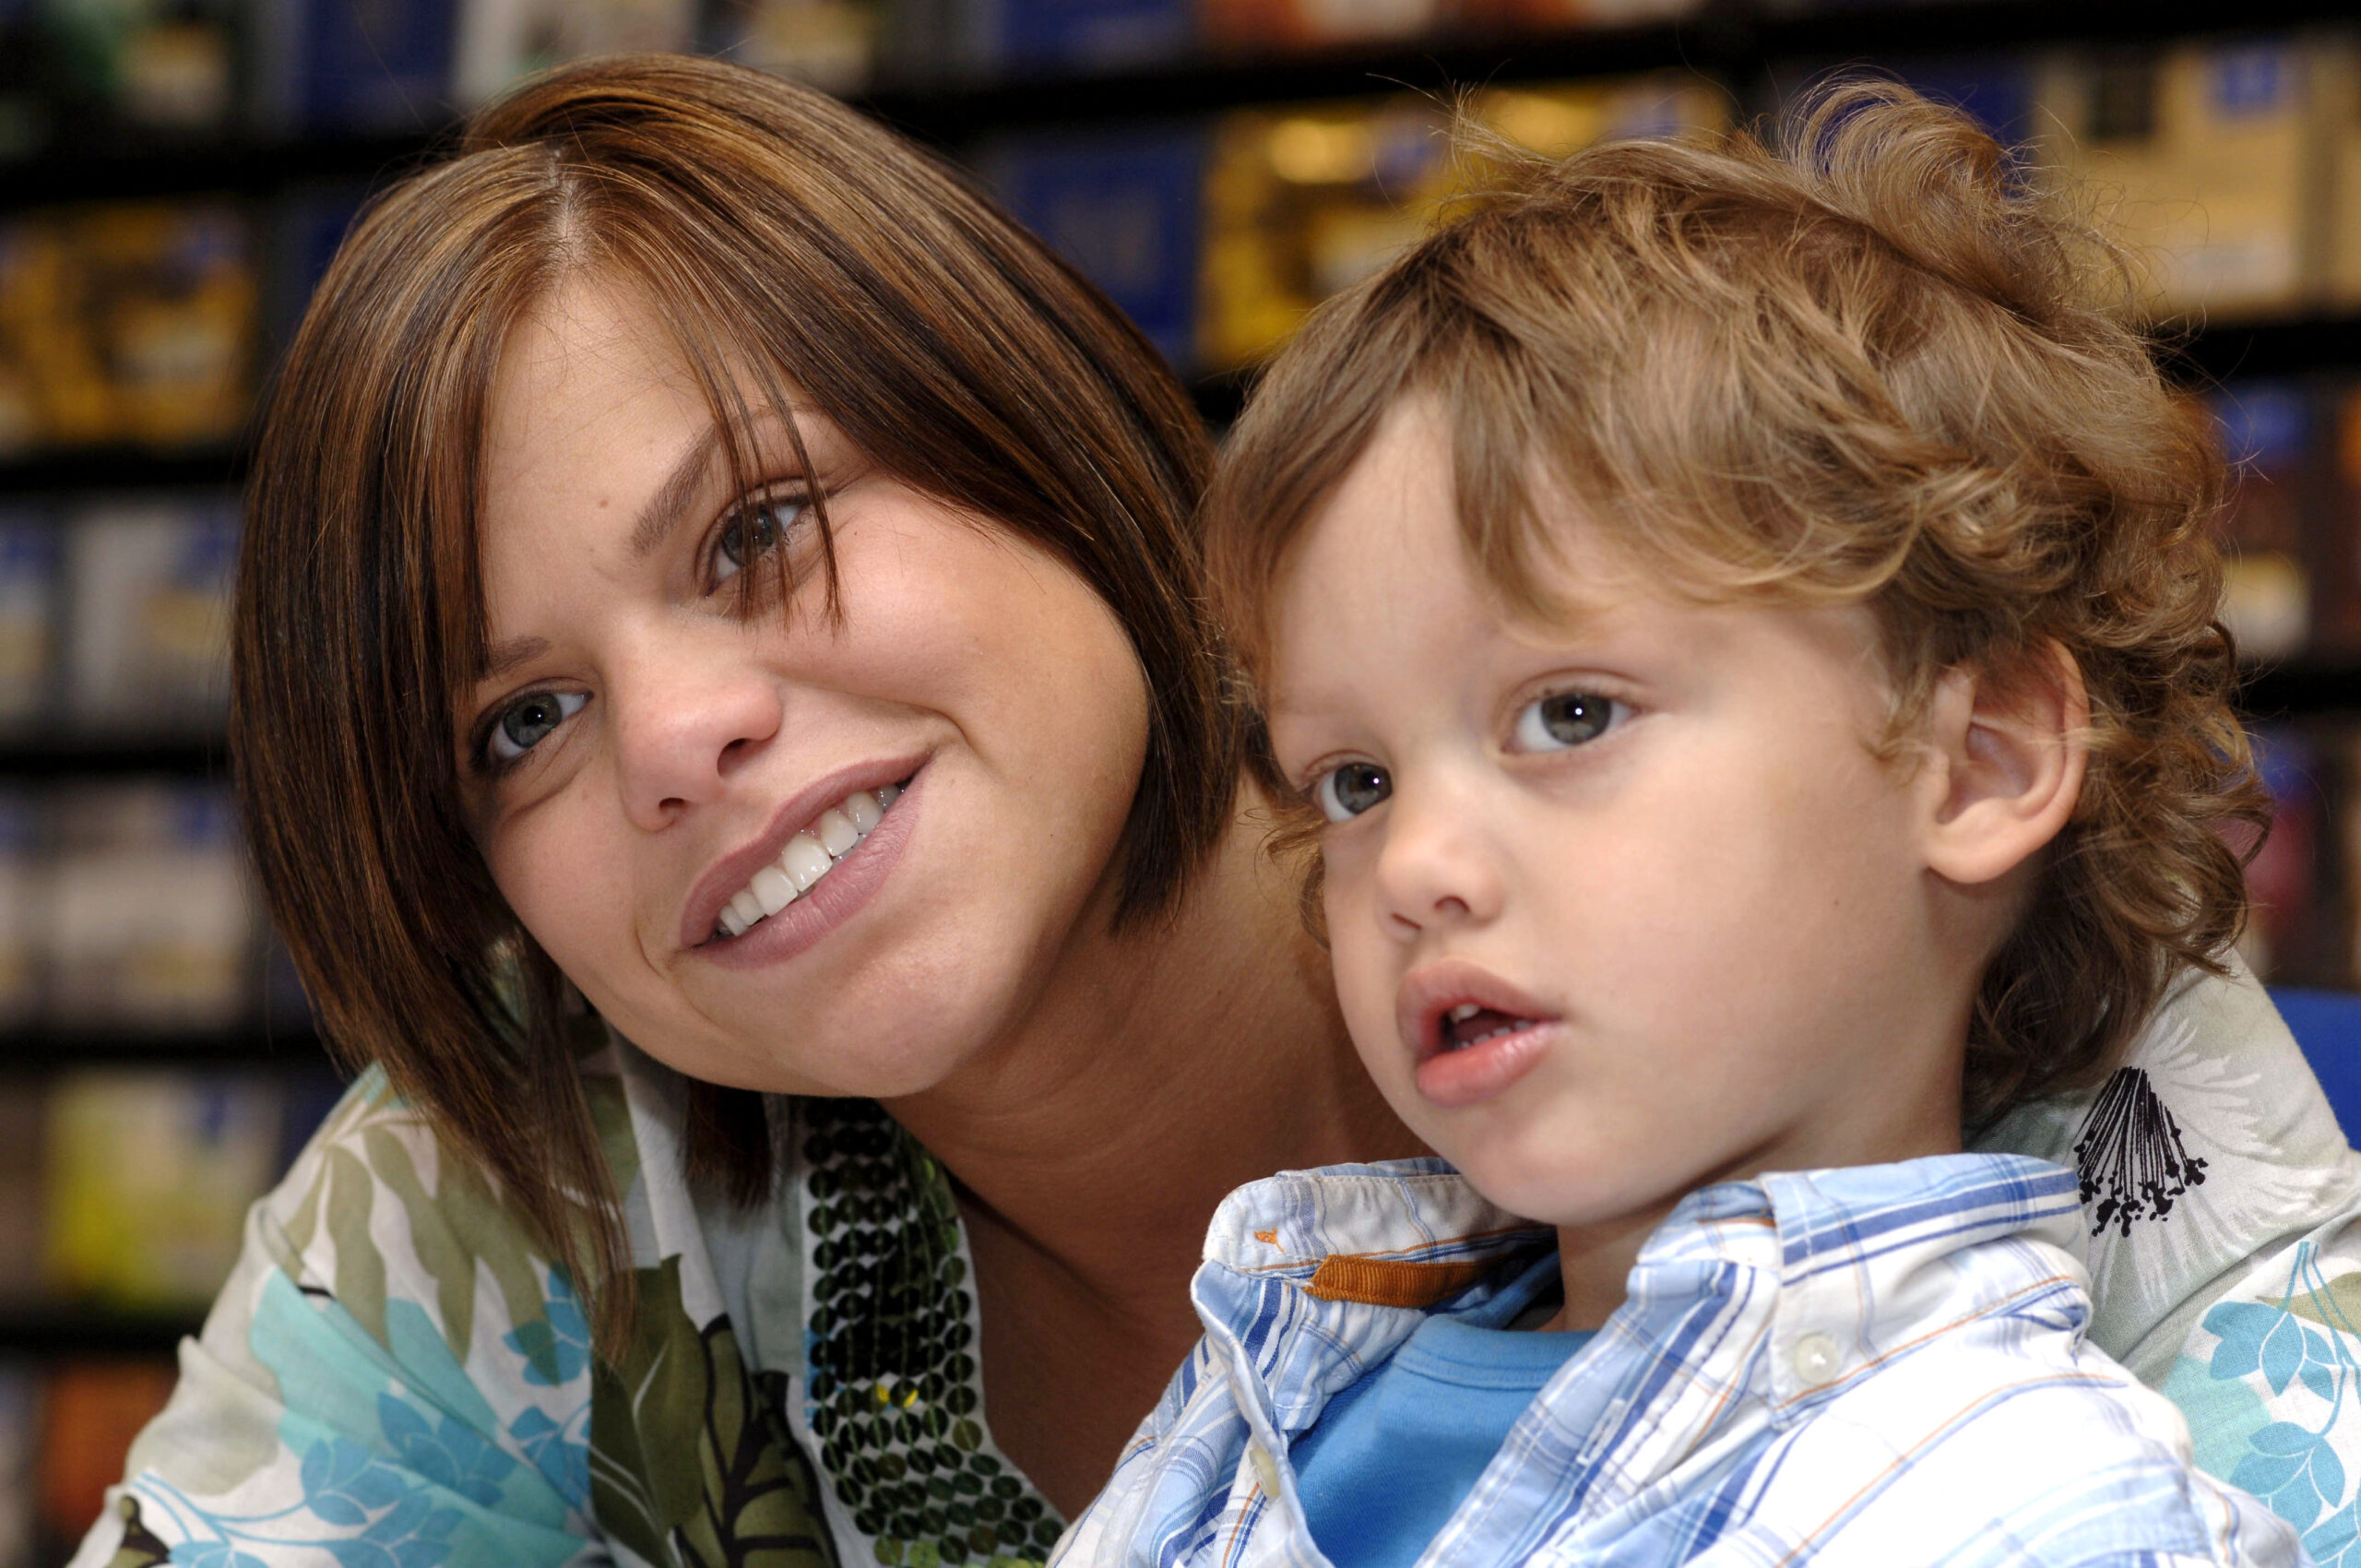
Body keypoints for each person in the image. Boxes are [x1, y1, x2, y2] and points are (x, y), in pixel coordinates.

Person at [59, 55, 2361, 1568]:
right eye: (514, 725)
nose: (672, 738)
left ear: (1037, 436)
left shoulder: (1954, 963)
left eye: (756, 530)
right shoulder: (525, 1153)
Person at [1058, 86, 2322, 1568]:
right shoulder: (1268, 1373)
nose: (1414, 869)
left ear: (1977, 762)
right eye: (1355, 782)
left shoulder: (2036, 1515)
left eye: (1573, 716)